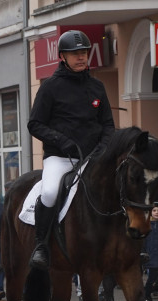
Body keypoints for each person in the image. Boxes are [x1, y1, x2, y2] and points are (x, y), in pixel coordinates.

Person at [26, 29, 115, 272]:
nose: (81, 57)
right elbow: (34, 124)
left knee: (118, 186)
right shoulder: (50, 87)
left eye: (84, 52)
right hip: (60, 157)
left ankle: (128, 245)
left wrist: (104, 148)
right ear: (63, 57)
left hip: (93, 158)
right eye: (75, 54)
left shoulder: (97, 87)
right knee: (51, 192)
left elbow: (108, 124)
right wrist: (61, 141)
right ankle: (41, 246)